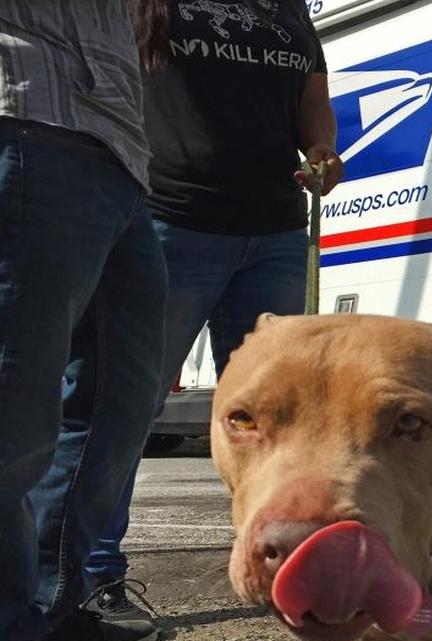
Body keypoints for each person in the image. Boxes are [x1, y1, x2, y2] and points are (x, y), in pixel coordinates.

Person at [81, 0, 342, 629]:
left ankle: (283, 563)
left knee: (281, 417)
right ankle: (91, 577)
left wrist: (324, 148)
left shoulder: (289, 11)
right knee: (122, 407)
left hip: (276, 232)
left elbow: (312, 95)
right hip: (169, 220)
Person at [0, 3, 168, 641]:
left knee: (118, 406)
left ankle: (51, 602)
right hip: (27, 111)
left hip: (121, 157)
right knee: (14, 404)